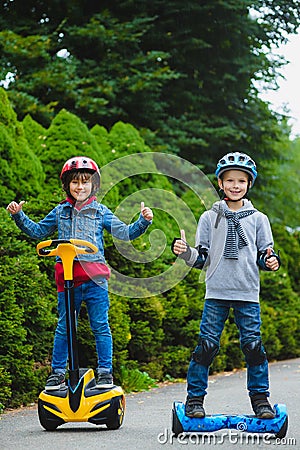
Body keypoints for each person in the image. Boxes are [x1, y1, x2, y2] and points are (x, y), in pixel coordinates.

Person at [7, 156, 153, 390]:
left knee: (100, 325)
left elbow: (125, 233)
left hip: (95, 279)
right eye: (75, 182)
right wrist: (19, 216)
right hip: (67, 278)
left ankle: (105, 372)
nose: (80, 187)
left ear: (93, 185)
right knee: (65, 326)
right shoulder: (60, 211)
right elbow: (37, 231)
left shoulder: (100, 211)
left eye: (85, 182)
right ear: (67, 185)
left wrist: (143, 221)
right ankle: (57, 373)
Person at [171, 152, 280, 419]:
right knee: (206, 346)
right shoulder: (209, 218)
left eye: (241, 181)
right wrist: (185, 253)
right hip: (216, 293)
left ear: (248, 184)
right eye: (229, 180)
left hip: (247, 294)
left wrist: (271, 261)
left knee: (253, 347)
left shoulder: (258, 219)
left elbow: (264, 255)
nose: (235, 185)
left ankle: (260, 400)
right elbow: (202, 258)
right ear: (220, 183)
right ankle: (194, 400)